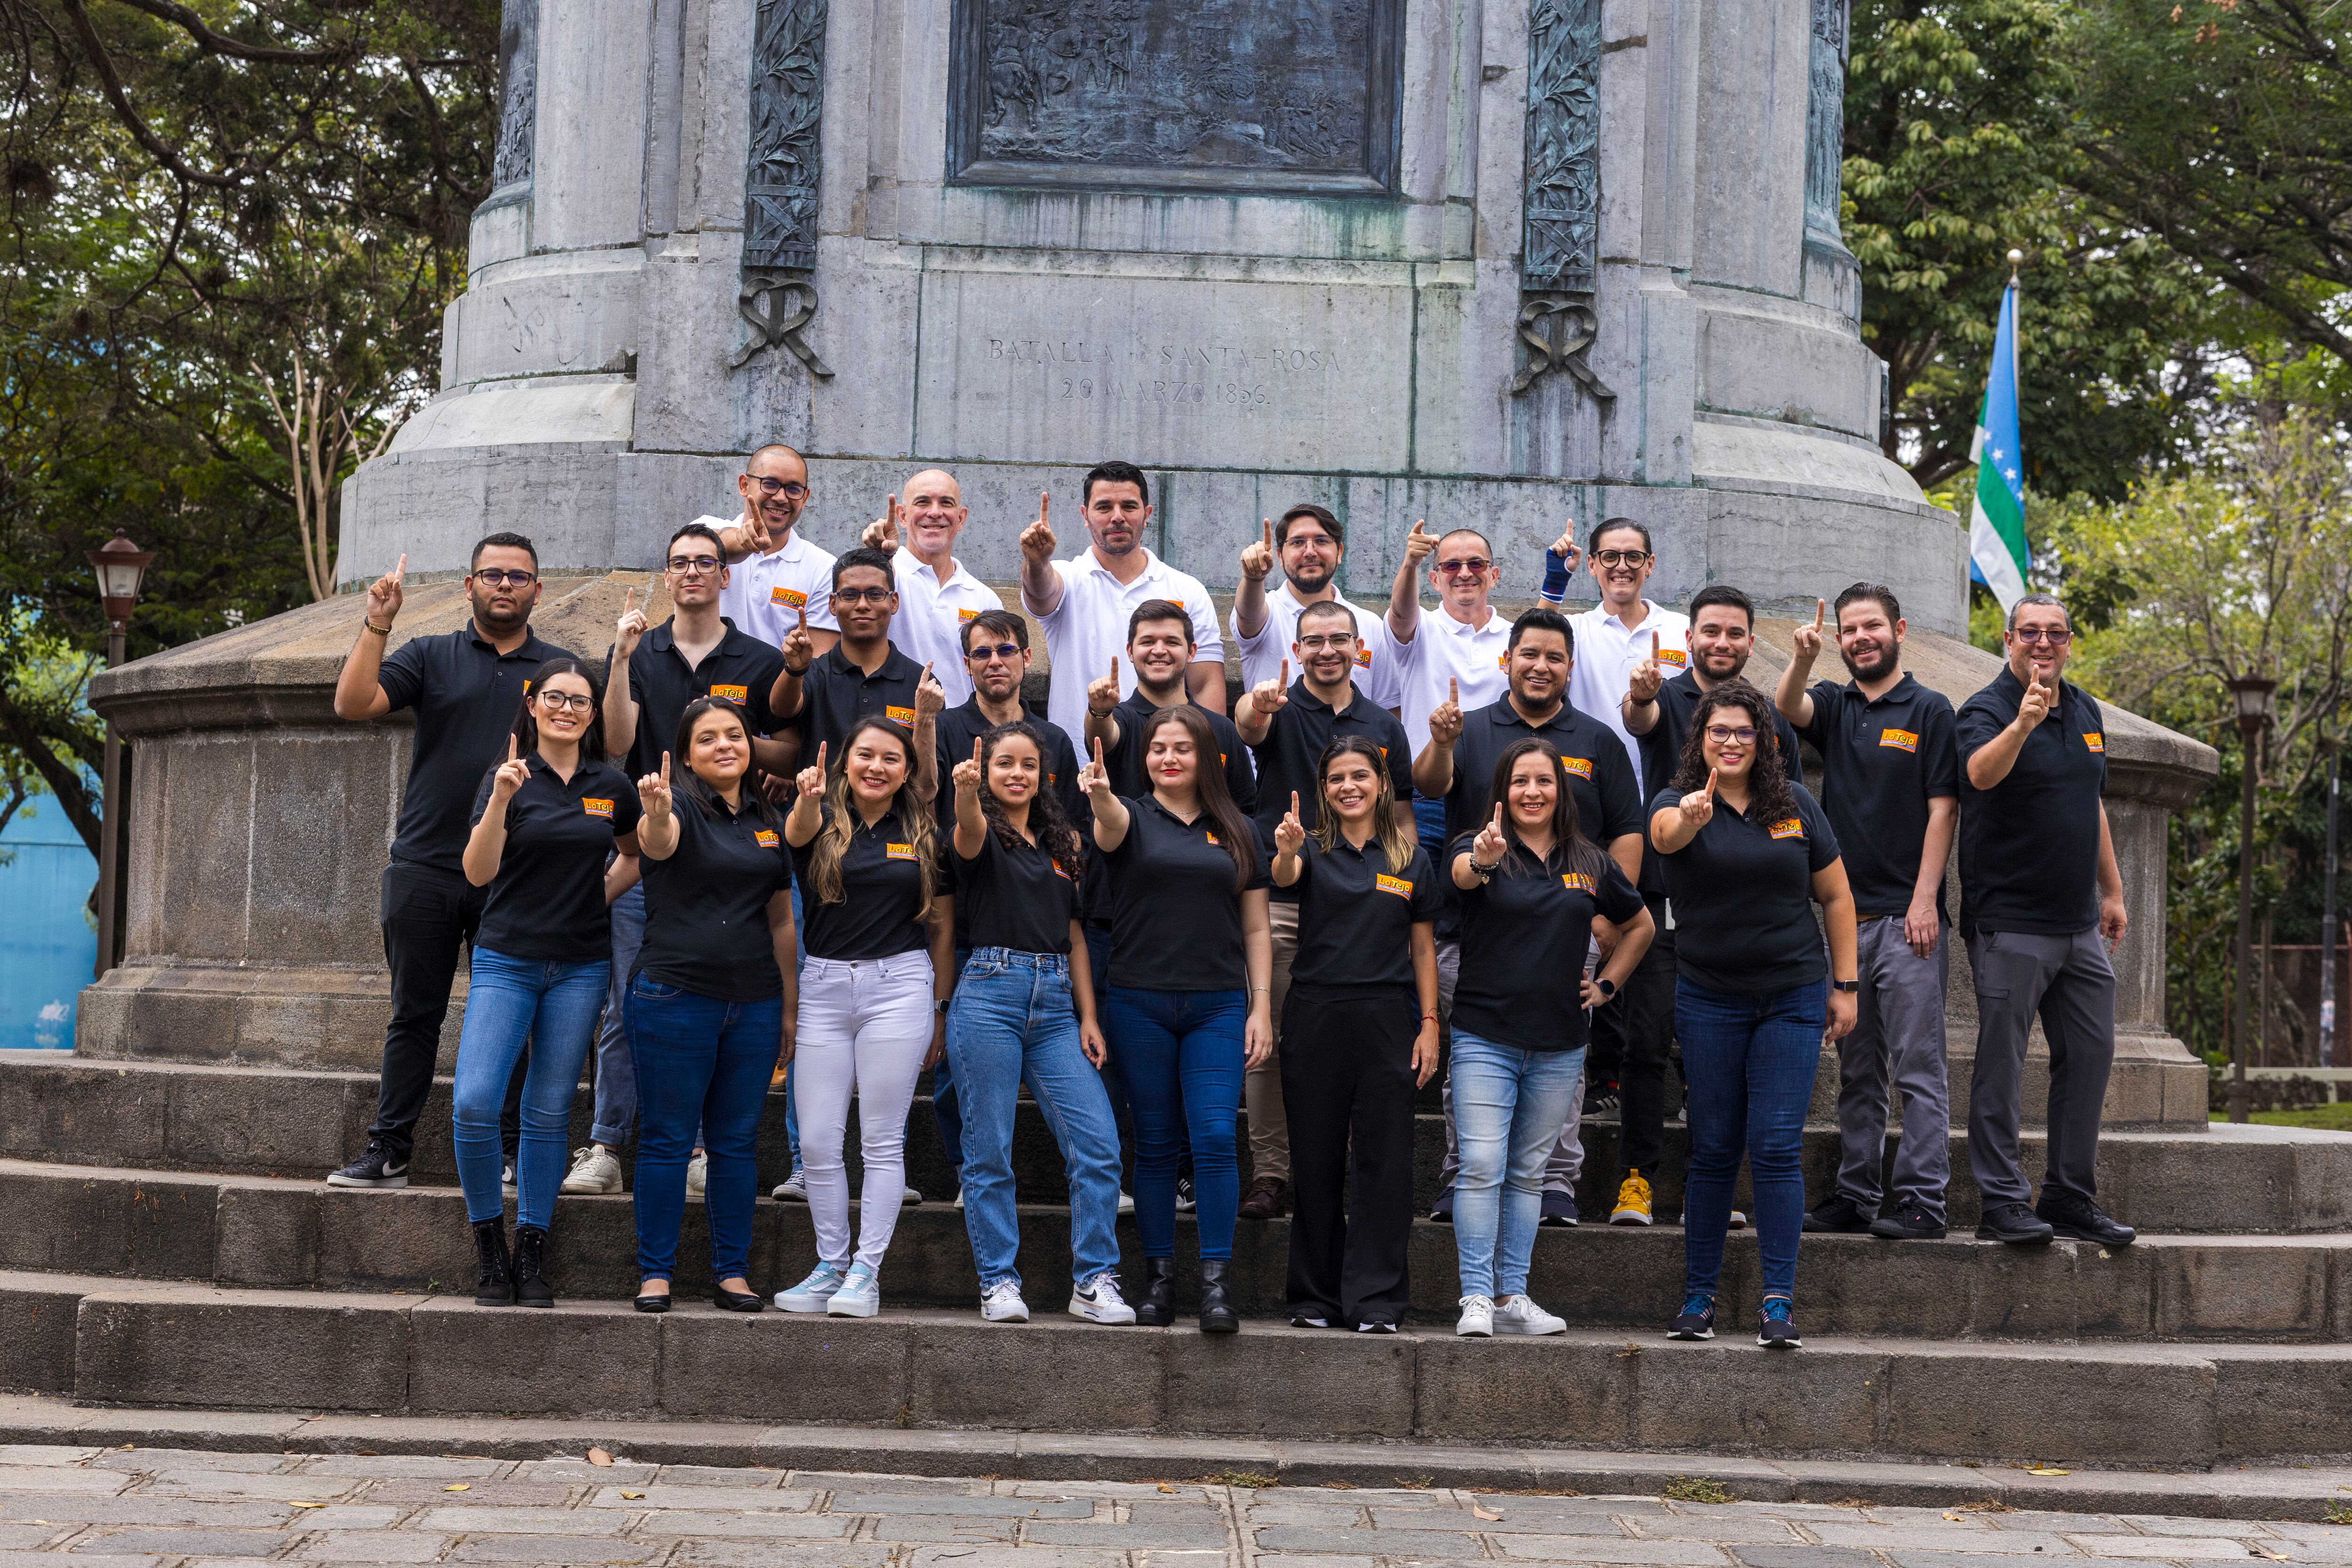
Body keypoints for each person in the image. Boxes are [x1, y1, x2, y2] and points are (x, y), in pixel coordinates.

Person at [327, 534, 578, 1189]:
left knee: (517, 1016)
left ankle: (511, 1150)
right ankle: (390, 1147)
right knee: (414, 1013)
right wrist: (378, 621)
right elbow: (353, 705)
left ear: (537, 590)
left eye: (519, 576)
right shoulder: (430, 654)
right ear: (469, 586)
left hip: (514, 872)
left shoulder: (558, 670)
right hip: (426, 865)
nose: (505, 585)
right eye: (491, 574)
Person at [570, 523, 790, 1198]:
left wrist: (736, 741)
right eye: (680, 563)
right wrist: (618, 659)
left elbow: (789, 749)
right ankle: (607, 1144)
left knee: (711, 1005)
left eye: (705, 562)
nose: (693, 571)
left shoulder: (758, 659)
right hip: (650, 848)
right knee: (623, 1002)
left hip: (730, 855)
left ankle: (698, 1149)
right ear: (668, 578)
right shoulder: (642, 651)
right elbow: (612, 740)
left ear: (727, 576)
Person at [1415, 606, 1643, 1227]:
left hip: (1569, 934)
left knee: (1563, 1070)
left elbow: (1627, 830)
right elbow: (1429, 786)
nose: (1540, 665)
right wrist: (1439, 740)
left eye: (1554, 657)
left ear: (1571, 667)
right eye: (1529, 654)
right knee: (1471, 1067)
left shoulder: (1598, 740)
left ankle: (1556, 1184)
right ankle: (1461, 1177)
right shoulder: (1471, 726)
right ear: (1506, 660)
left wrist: (1607, 916)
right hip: (1474, 933)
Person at [1649, 680, 1857, 1350]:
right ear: (1700, 739)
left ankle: (1777, 1302)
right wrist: (1693, 817)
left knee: (1774, 1146)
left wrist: (1845, 985)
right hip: (1709, 997)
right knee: (1713, 1148)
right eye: (1719, 732)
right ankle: (1699, 1296)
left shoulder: (1795, 805)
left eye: (1744, 732)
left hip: (1792, 996)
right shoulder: (1676, 803)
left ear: (1767, 741)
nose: (1732, 742)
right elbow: (1664, 835)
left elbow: (1837, 894)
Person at [1610, 582, 1804, 1226]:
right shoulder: (1666, 694)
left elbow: (1792, 811)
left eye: (1734, 633)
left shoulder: (1767, 718)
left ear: (1752, 642)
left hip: (1741, 918)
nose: (1722, 642)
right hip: (1665, 902)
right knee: (1644, 1042)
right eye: (1710, 631)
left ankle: (1708, 1186)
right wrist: (1639, 695)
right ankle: (1636, 1178)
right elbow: (1640, 718)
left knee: (1714, 1060)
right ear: (1688, 636)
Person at [1448, 738, 1653, 1338]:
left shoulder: (1589, 861)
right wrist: (1485, 859)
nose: (1531, 792)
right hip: (1484, 1037)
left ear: (1561, 792)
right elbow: (1464, 877)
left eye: (1543, 782)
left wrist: (1608, 986)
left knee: (1528, 1171)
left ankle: (1513, 1295)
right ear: (1501, 791)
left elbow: (1638, 925)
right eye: (1518, 782)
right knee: (1481, 1163)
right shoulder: (1476, 845)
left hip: (1560, 1043)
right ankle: (1475, 1297)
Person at [453, 659, 643, 1307]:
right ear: (533, 707)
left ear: (593, 715)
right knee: (475, 1101)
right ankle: (488, 1244)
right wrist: (503, 800)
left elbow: (635, 852)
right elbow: (477, 874)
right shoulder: (506, 777)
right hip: (507, 958)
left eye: (580, 701)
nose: (567, 709)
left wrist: (602, 894)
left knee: (548, 1110)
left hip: (580, 966)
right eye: (555, 698)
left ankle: (532, 1247)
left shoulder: (611, 784)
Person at [1080, 706, 1274, 1333]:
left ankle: (1216, 1285)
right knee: (1158, 1144)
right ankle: (1160, 1282)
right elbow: (1107, 828)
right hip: (1139, 1002)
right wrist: (1104, 795)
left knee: (1215, 1136)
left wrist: (1261, 1005)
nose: (1167, 757)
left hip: (1217, 1003)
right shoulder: (1130, 815)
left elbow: (1255, 925)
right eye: (1158, 747)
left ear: (1209, 758)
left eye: (1182, 748)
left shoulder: (1239, 828)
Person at [1775, 585, 1960, 1241]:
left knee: (1917, 1068)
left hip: (1909, 923)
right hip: (1847, 923)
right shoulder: (1835, 702)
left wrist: (1924, 900)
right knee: (1857, 1069)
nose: (1859, 638)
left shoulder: (1932, 709)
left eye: (1871, 627)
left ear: (1899, 630)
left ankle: (1922, 1202)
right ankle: (1856, 1193)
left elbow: (1944, 808)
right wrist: (1803, 657)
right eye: (1850, 630)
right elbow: (1786, 706)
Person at [1956, 593, 2135, 1249]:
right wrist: (2023, 725)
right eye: (2029, 632)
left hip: (2079, 923)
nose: (2042, 643)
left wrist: (2112, 890)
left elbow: (2092, 802)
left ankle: (2067, 1196)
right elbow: (1978, 775)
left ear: (2067, 641)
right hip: (2011, 920)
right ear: (2008, 639)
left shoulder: (2085, 708)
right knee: (2001, 1065)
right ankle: (2001, 1202)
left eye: (2054, 633)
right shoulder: (1985, 708)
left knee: (2089, 1055)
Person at [944, 724, 1135, 1325]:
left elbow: (1075, 934)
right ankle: (998, 1281)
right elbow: (967, 830)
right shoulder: (976, 832)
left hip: (1055, 1003)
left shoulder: (1065, 842)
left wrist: (1088, 1016)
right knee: (989, 1151)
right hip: (988, 994)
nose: (1017, 774)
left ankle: (1093, 1281)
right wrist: (966, 793)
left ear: (1044, 774)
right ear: (986, 769)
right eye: (1005, 764)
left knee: (1099, 1147)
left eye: (1028, 764)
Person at [1233, 599, 1414, 1222]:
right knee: (1270, 1040)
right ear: (1298, 647)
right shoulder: (1278, 707)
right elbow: (1248, 727)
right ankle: (1272, 1171)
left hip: (1364, 910)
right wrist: (1255, 705)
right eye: (1314, 641)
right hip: (1284, 899)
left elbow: (1402, 817)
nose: (1328, 650)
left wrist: (1404, 877)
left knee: (1353, 1050)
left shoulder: (1383, 727)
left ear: (1359, 646)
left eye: (1340, 639)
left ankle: (1337, 1169)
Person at [774, 716, 957, 1317]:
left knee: (880, 1141)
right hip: (824, 987)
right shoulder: (819, 817)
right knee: (821, 1142)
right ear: (844, 762)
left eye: (891, 759)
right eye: (865, 756)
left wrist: (938, 1009)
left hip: (899, 985)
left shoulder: (925, 832)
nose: (876, 767)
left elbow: (942, 928)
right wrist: (806, 798)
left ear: (908, 771)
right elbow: (796, 834)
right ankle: (830, 1264)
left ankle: (865, 1272)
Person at [623, 697, 797, 1313]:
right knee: (669, 1138)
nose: (725, 745)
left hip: (753, 1003)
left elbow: (782, 921)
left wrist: (789, 1009)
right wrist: (657, 812)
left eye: (736, 735)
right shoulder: (675, 809)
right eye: (708, 739)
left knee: (736, 1142)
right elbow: (658, 842)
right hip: (674, 997)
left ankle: (731, 1272)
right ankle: (655, 1273)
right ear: (687, 753)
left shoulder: (767, 817)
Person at [1268, 738, 1440, 1332]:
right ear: (1323, 789)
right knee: (1314, 1161)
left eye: (1359, 775)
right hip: (1315, 1015)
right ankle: (1314, 1297)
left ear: (1380, 783)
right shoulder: (1310, 850)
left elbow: (1423, 947)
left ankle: (1375, 1301)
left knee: (1384, 1163)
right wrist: (1286, 851)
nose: (1348, 786)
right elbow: (1282, 875)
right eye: (1336, 777)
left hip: (1388, 1018)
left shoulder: (1410, 859)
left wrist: (1429, 1024)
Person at [928, 609, 1090, 1204]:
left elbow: (1071, 825)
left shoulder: (1053, 740)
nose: (994, 661)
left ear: (1027, 658)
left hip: (1039, 919)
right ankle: (961, 1171)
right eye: (981, 653)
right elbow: (929, 798)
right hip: (966, 909)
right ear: (966, 663)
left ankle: (1068, 1172)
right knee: (952, 1071)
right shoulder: (946, 727)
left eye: (1005, 650)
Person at [1021, 461, 1227, 748]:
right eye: (1104, 507)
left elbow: (1205, 685)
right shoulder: (1067, 578)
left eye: (1129, 507)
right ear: (1085, 515)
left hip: (1167, 764)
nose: (1117, 517)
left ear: (1147, 514)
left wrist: (1208, 760)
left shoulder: (1187, 590)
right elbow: (1041, 594)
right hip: (1079, 763)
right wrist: (1038, 561)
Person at [771, 545, 947, 801]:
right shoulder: (815, 672)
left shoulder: (922, 685)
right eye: (850, 595)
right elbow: (782, 709)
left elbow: (928, 783)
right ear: (833, 604)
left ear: (893, 602)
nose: (863, 605)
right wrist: (794, 669)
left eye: (875, 594)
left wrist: (926, 718)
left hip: (894, 828)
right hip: (821, 824)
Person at [1383, 520, 1509, 847]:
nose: (1464, 573)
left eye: (1476, 564)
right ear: (1435, 579)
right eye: (1452, 565)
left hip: (1499, 797)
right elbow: (1400, 613)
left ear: (1493, 575)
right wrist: (1410, 563)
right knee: (1427, 897)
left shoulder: (1514, 637)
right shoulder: (1420, 626)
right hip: (1428, 800)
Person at [858, 472, 1004, 707]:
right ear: (903, 517)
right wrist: (879, 558)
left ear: (961, 518)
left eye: (946, 503)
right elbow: (869, 593)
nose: (935, 512)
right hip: (890, 733)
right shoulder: (889, 577)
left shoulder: (985, 598)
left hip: (960, 736)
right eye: (923, 502)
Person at [1232, 505, 1397, 703]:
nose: (1310, 552)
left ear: (1339, 552)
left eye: (1321, 541)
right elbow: (1248, 616)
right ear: (1280, 556)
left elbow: (1389, 709)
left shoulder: (1370, 625)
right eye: (1297, 542)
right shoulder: (1268, 611)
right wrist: (1253, 579)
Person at [714, 442, 841, 659]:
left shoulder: (824, 569)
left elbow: (818, 666)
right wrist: (741, 541)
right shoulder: (703, 529)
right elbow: (707, 545)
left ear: (805, 497)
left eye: (793, 489)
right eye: (770, 484)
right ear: (744, 485)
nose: (781, 498)